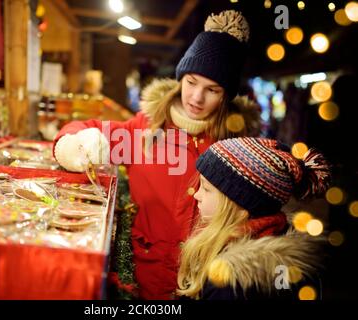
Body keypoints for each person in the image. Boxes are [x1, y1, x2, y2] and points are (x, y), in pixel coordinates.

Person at [53, 10, 259, 299]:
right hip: (144, 279)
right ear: (180, 79)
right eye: (191, 83)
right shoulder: (146, 132)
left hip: (204, 283)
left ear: (226, 95)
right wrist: (77, 144)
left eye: (212, 89)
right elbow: (79, 129)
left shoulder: (237, 148)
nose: (197, 98)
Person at [177, 137, 331, 299]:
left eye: (207, 189)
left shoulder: (229, 282)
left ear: (241, 208)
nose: (197, 194)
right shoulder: (296, 261)